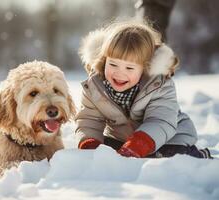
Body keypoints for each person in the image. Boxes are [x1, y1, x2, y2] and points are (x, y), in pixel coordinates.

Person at [75, 20, 212, 158]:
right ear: (105, 60)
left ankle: (198, 155)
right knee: (107, 151)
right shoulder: (95, 87)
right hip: (120, 140)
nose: (119, 73)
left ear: (145, 68)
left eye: (129, 68)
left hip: (169, 137)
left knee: (169, 155)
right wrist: (90, 143)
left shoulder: (159, 86)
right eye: (113, 64)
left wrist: (139, 143)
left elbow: (160, 121)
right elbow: (89, 119)